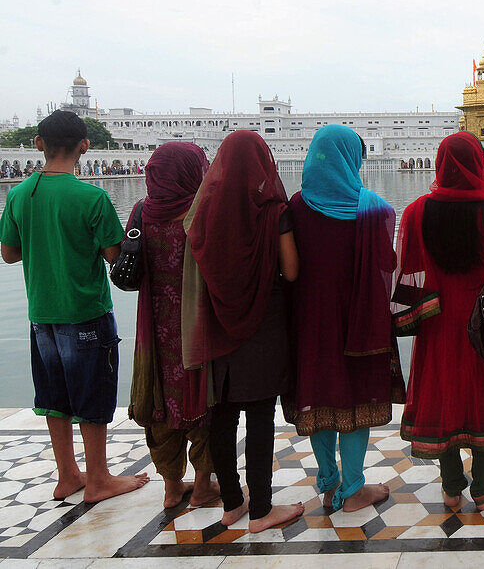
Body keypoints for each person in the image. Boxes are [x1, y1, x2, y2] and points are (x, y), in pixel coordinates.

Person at [0, 110, 149, 502]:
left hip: (41, 315)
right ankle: (98, 478)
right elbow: (114, 256)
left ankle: (67, 475)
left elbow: (9, 254)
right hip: (86, 311)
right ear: (85, 146)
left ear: (38, 144)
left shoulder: (18, 194)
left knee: (54, 397)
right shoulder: (93, 198)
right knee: (94, 396)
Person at [181, 130, 303, 533]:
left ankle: (232, 502)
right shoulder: (273, 211)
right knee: (260, 415)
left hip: (217, 322)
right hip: (263, 323)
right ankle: (262, 508)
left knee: (222, 413)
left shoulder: (203, 213)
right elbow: (291, 271)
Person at [394, 131, 484, 511]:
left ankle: (452, 488)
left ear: (439, 163)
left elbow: (407, 268)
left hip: (436, 320)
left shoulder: (416, 211)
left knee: (441, 394)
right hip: (482, 322)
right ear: (479, 164)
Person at [287, 125, 405, 512]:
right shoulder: (374, 209)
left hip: (310, 324)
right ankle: (353, 489)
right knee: (357, 397)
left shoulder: (295, 208)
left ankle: (329, 483)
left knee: (318, 398)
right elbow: (388, 267)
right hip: (361, 322)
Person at [128, 142, 220, 509]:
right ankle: (202, 486)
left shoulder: (140, 211)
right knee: (201, 397)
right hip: (196, 324)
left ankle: (170, 486)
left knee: (160, 404)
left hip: (154, 325)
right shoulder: (202, 211)